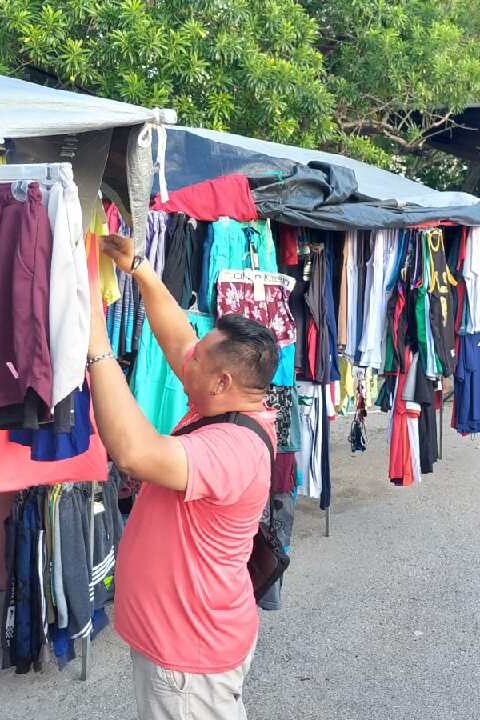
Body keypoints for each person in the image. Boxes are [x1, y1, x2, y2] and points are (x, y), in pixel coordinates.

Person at [86, 234, 278, 719]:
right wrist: (140, 268)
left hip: (190, 663)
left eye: (198, 358)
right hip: (188, 644)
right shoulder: (222, 403)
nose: (186, 356)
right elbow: (177, 339)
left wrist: (95, 343)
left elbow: (133, 454)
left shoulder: (233, 448)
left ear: (221, 382)